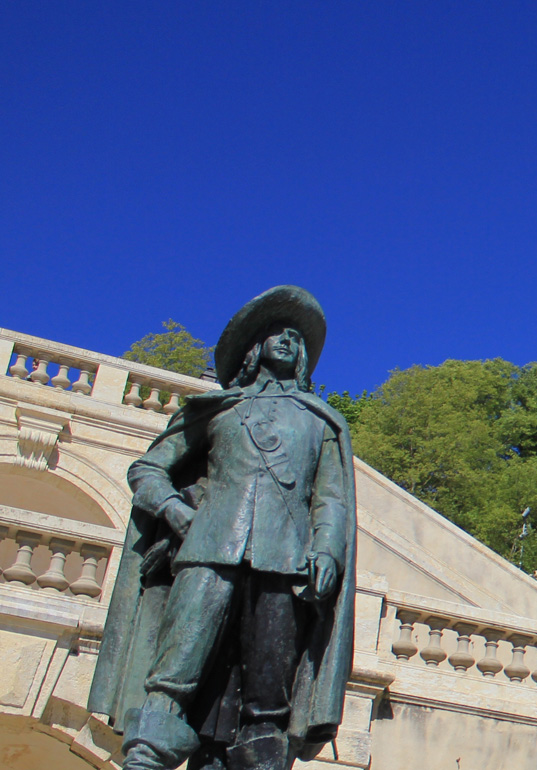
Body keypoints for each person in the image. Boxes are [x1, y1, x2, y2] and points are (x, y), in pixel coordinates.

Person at [90, 285, 357, 770]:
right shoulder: (219, 409)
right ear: (254, 348)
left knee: (269, 689)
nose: (288, 340)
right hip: (208, 548)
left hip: (285, 561)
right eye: (276, 332)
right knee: (174, 671)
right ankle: (147, 756)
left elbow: (332, 500)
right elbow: (148, 470)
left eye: (297, 337)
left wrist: (327, 551)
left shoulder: (322, 423)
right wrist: (175, 511)